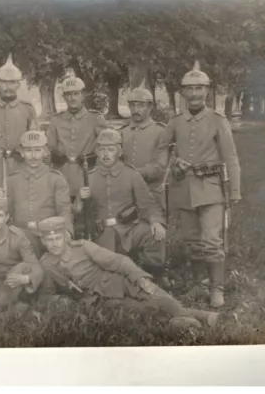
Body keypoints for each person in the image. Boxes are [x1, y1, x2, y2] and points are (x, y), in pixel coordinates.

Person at [35, 216, 219, 330]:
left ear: (66, 237)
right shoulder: (45, 264)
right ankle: (187, 319)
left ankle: (194, 316)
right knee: (137, 309)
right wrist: (62, 300)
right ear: (43, 241)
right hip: (97, 301)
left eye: (58, 238)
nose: (55, 244)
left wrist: (138, 277)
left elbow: (118, 261)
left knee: (153, 294)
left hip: (116, 281)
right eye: (49, 240)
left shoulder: (83, 247)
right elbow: (46, 295)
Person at [162, 61, 241, 307]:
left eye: (200, 89)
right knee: (192, 240)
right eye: (190, 89)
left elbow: (231, 157)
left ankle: (217, 288)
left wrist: (235, 190)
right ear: (182, 93)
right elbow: (162, 150)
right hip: (184, 188)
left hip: (211, 188)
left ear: (207, 91)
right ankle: (199, 285)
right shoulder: (175, 122)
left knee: (212, 241)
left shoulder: (218, 120)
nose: (195, 94)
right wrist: (173, 165)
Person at [77, 128, 168, 284]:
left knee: (153, 234)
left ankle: (154, 275)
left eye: (111, 149)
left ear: (119, 152)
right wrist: (79, 198)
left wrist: (155, 221)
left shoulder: (131, 174)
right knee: (110, 274)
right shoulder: (88, 177)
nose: (106, 154)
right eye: (102, 149)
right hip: (103, 232)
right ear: (97, 152)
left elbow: (147, 204)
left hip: (130, 229)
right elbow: (78, 213)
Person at [0, 130, 72, 257]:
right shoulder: (12, 180)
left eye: (37, 150)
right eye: (29, 151)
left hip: (49, 237)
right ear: (22, 153)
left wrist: (67, 232)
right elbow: (8, 212)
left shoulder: (56, 179)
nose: (34, 156)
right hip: (20, 237)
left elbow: (64, 209)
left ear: (45, 152)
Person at [0, 54, 39, 192]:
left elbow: (36, 141)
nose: (7, 87)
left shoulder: (27, 109)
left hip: (20, 167)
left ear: (18, 84)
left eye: (11, 82)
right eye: (3, 82)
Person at [46, 75, 109, 201]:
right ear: (64, 96)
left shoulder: (95, 118)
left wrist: (94, 156)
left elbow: (106, 145)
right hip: (62, 173)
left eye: (76, 93)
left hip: (87, 172)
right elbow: (49, 148)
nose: (72, 98)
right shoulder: (56, 120)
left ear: (83, 95)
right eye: (68, 94)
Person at [120, 82, 168, 210]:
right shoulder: (122, 132)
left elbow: (161, 167)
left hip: (152, 192)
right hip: (125, 193)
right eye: (132, 105)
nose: (136, 110)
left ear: (150, 106)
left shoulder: (161, 131)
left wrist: (135, 174)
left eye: (141, 106)